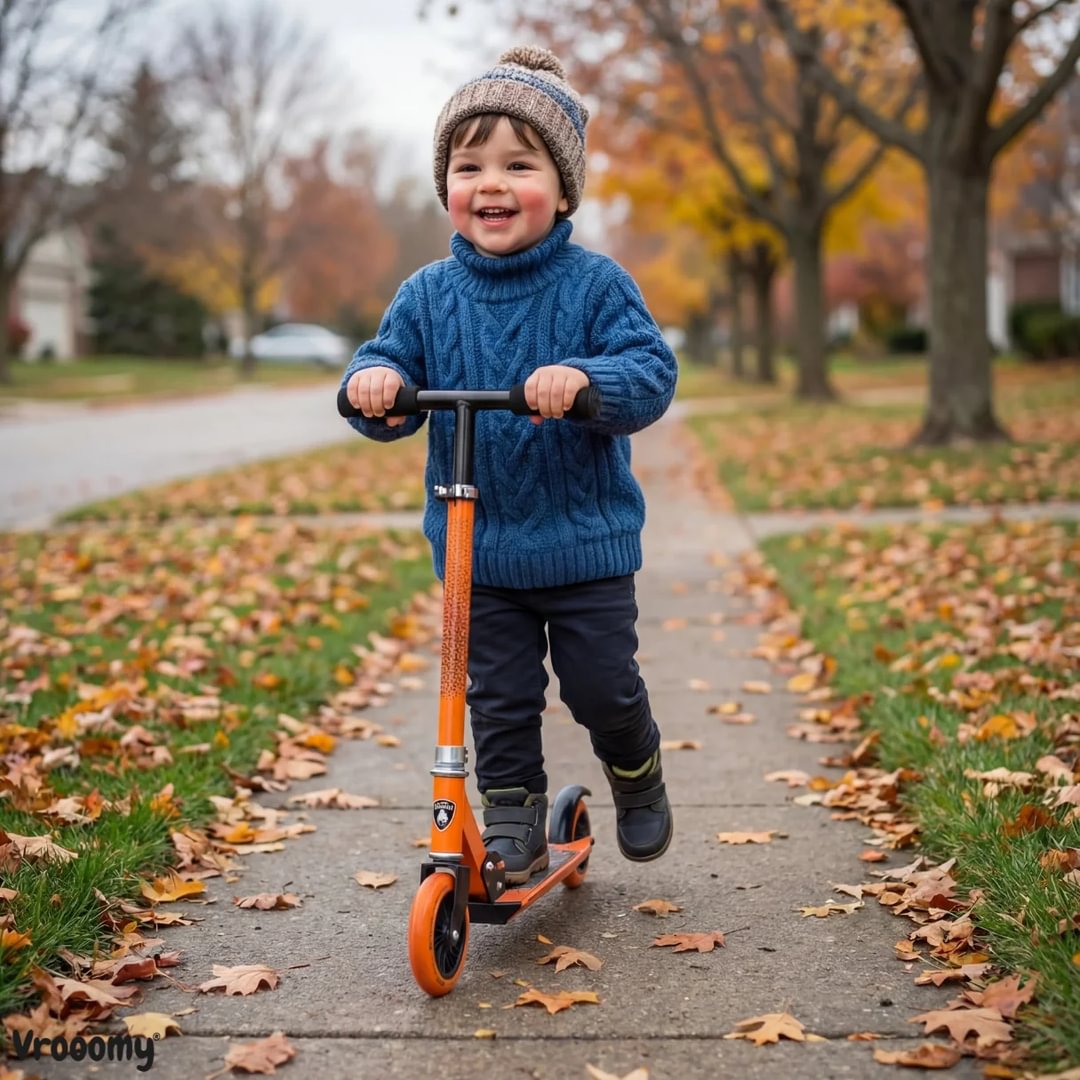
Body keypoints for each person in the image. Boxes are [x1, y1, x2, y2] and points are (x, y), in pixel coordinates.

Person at [341, 45, 678, 884]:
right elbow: (381, 367)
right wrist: (376, 387)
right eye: (470, 166)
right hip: (478, 550)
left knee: (600, 686)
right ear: (446, 187)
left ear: (563, 189)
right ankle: (511, 816)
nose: (490, 183)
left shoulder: (596, 286)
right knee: (496, 698)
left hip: (583, 544)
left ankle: (636, 770)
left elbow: (649, 372)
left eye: (519, 165)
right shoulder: (426, 295)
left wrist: (588, 381)